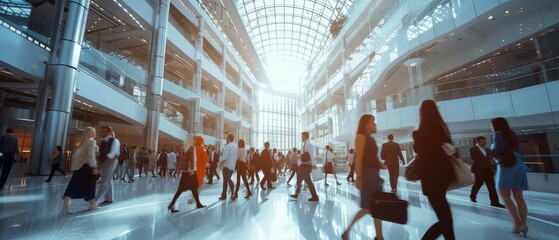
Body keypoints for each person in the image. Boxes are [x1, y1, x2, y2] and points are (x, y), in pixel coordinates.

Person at [412, 100, 456, 240]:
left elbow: (422, 153)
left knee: (445, 220)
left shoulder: (419, 132)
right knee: (446, 220)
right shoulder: (442, 130)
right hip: (444, 177)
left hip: (430, 180)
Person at [342, 114, 386, 240]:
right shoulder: (360, 137)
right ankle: (348, 231)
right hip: (367, 175)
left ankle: (379, 236)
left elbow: (373, 158)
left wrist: (382, 165)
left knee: (375, 206)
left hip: (374, 175)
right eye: (373, 121)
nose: (375, 124)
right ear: (366, 123)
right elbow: (359, 160)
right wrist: (359, 177)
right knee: (368, 207)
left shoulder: (371, 139)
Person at [491, 117, 529, 237]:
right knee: (519, 196)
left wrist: (491, 148)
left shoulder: (497, 133)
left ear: (496, 125)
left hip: (507, 166)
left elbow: (497, 148)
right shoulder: (512, 135)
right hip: (519, 165)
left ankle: (517, 223)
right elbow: (521, 152)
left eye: (491, 125)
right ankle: (524, 224)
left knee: (504, 195)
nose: (491, 127)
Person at [62, 127, 99, 213]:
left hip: (79, 167)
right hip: (87, 167)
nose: (95, 134)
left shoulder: (83, 142)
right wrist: (94, 166)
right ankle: (92, 205)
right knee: (91, 185)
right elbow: (90, 156)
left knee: (73, 185)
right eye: (94, 132)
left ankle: (65, 207)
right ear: (91, 133)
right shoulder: (92, 141)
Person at [168, 136, 206, 212]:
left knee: (193, 188)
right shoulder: (191, 147)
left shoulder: (185, 147)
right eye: (194, 139)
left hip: (185, 171)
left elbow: (182, 159)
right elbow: (191, 159)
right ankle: (172, 204)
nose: (195, 140)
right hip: (190, 171)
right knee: (185, 189)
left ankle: (198, 203)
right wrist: (192, 169)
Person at [469, 136, 504, 208]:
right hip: (479, 170)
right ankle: (472, 197)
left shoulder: (488, 150)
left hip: (488, 170)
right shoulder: (472, 149)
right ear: (478, 142)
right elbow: (474, 158)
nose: (484, 143)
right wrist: (488, 161)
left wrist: (496, 160)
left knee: (492, 187)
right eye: (483, 141)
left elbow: (493, 157)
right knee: (477, 184)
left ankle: (495, 202)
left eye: (485, 141)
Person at [290, 132, 319, 202]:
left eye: (302, 136)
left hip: (307, 165)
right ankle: (314, 196)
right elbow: (304, 155)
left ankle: (297, 194)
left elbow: (311, 155)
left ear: (305, 136)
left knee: (300, 179)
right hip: (304, 165)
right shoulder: (304, 145)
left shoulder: (309, 145)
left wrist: (314, 164)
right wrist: (299, 158)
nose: (301, 137)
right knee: (308, 181)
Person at [95, 127, 121, 206]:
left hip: (111, 161)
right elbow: (101, 153)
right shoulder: (103, 141)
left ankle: (94, 200)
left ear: (110, 132)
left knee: (104, 181)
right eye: (102, 131)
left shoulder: (115, 141)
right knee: (107, 180)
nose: (102, 133)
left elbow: (113, 153)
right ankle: (109, 199)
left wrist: (104, 163)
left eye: (105, 131)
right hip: (105, 162)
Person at [218, 133, 237, 200]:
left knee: (227, 180)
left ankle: (233, 192)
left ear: (228, 138)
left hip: (226, 166)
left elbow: (224, 157)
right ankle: (224, 195)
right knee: (226, 180)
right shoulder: (235, 146)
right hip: (232, 166)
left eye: (227, 137)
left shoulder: (227, 146)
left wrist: (220, 158)